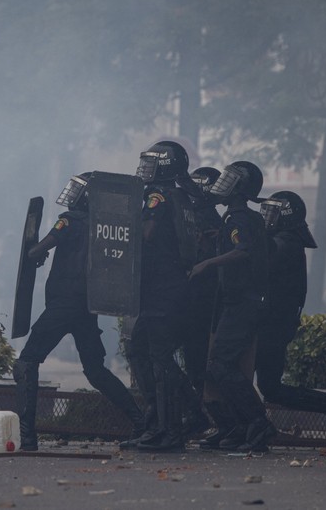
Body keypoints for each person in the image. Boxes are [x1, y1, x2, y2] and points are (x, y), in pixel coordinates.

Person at [13, 173, 145, 451]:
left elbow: (39, 249)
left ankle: (27, 437)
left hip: (63, 304)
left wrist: (34, 251)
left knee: (27, 361)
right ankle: (141, 422)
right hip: (87, 306)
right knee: (95, 371)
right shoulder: (101, 227)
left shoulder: (70, 220)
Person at [190, 160, 276, 453]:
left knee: (220, 364)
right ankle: (241, 426)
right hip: (236, 303)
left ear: (240, 189)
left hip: (243, 303)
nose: (221, 184)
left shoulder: (239, 219)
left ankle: (257, 423)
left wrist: (207, 263)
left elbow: (244, 250)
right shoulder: (235, 219)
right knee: (221, 365)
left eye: (229, 180)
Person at [124, 141, 200, 452]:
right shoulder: (182, 196)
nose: (145, 167)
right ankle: (163, 423)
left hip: (163, 290)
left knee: (158, 357)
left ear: (165, 166)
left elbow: (146, 234)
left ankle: (172, 430)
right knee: (140, 350)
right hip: (168, 289)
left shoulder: (159, 196)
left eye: (152, 162)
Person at [256, 191, 326, 438]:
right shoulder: (284, 239)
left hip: (273, 324)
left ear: (286, 217)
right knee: (267, 386)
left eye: (273, 213)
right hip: (272, 322)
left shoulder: (286, 242)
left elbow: (266, 260)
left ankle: (257, 428)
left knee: (261, 384)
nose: (267, 218)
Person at [179, 167, 224, 435]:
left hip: (201, 299)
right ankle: (197, 415)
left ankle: (208, 418)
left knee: (197, 365)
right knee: (192, 362)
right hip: (193, 298)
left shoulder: (209, 219)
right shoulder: (198, 214)